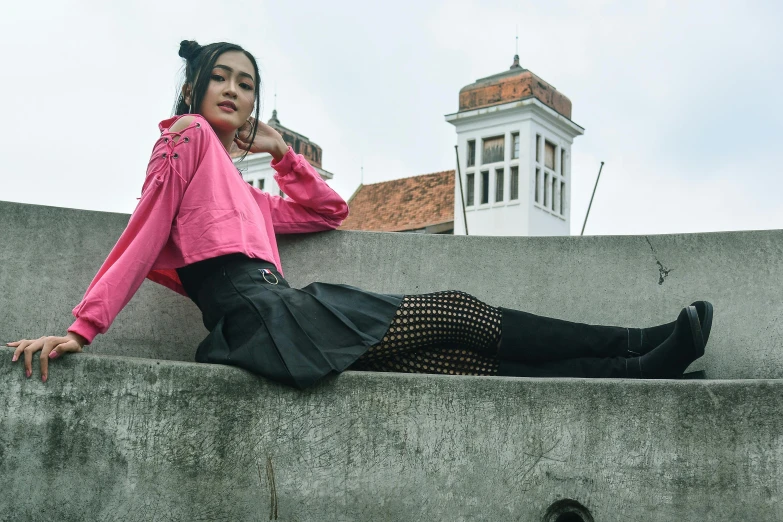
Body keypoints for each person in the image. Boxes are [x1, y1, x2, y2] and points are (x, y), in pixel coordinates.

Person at [6, 40, 713, 389]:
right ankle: (637, 340)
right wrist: (82, 329)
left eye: (246, 84)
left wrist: (282, 150)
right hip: (261, 318)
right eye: (219, 77)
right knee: (463, 311)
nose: (232, 90)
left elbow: (327, 209)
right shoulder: (185, 140)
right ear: (193, 87)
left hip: (282, 313)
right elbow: (144, 230)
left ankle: (641, 367)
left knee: (460, 362)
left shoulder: (242, 191)